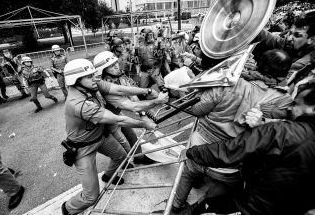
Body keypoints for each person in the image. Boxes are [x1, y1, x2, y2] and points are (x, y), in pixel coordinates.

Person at [171, 49, 294, 213]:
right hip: (231, 162)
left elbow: (197, 110)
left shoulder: (227, 81)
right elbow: (282, 126)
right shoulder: (281, 99)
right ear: (284, 75)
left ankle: (175, 205)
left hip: (199, 147)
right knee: (223, 187)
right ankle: (199, 207)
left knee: (188, 173)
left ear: (257, 64)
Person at [184, 83, 315, 215]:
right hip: (251, 190)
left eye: (297, 104)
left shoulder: (285, 131)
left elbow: (231, 150)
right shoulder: (281, 104)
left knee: (193, 182)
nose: (291, 108)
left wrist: (191, 152)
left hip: (252, 202)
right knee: (220, 188)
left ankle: (178, 205)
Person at [61, 59, 157, 215]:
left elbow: (119, 89)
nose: (95, 78)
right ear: (75, 80)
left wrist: (145, 91)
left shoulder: (89, 84)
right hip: (83, 148)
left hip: (100, 137)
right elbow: (119, 119)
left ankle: (108, 176)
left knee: (121, 157)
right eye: (89, 76)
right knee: (90, 197)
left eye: (94, 74)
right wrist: (145, 124)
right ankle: (68, 208)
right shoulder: (78, 103)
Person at [93, 51, 169, 162]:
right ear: (103, 70)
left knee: (133, 138)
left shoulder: (120, 76)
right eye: (111, 66)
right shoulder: (106, 87)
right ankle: (120, 167)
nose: (116, 66)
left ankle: (139, 158)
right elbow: (132, 106)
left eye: (115, 63)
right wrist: (157, 101)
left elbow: (132, 95)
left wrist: (143, 114)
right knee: (124, 147)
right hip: (111, 122)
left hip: (118, 114)